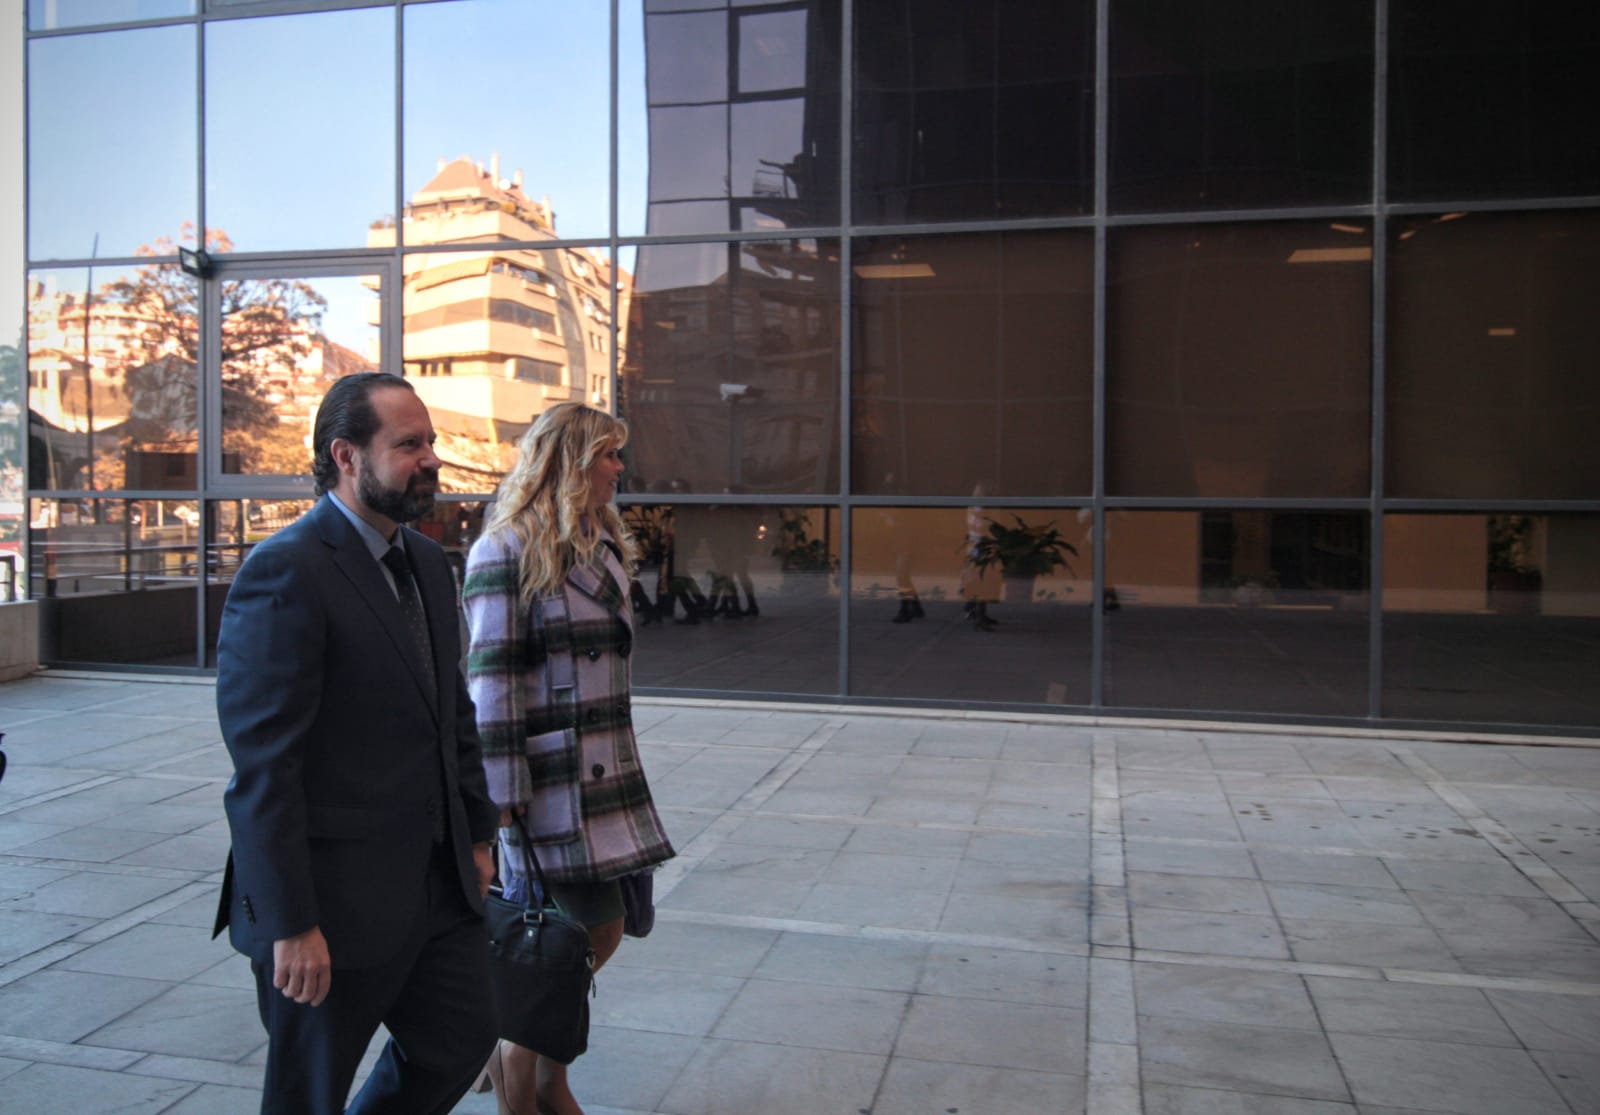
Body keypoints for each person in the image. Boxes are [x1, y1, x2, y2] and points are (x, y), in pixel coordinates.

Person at [213, 372, 500, 1115]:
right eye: (409, 444)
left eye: (431, 440)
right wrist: (291, 922)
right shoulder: (286, 571)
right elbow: (264, 768)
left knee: (462, 1039)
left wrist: (475, 830)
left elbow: (451, 713)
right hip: (329, 908)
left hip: (437, 887)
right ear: (346, 456)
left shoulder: (431, 564)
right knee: (308, 1096)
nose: (432, 458)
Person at [463, 402, 675, 1115]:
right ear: (571, 462)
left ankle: (539, 1070)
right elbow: (491, 684)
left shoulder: (601, 541)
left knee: (600, 930)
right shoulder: (505, 549)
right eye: (608, 455)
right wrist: (504, 795)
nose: (620, 467)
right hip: (548, 785)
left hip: (605, 772)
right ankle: (526, 1086)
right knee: (556, 944)